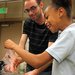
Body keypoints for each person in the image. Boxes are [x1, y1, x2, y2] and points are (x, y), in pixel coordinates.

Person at [4, 0, 73, 75]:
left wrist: (13, 45)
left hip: (45, 68)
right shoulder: (64, 33)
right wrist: (17, 59)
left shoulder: (67, 33)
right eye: (27, 10)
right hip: (33, 64)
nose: (46, 22)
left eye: (47, 17)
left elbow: (40, 60)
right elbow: (22, 45)